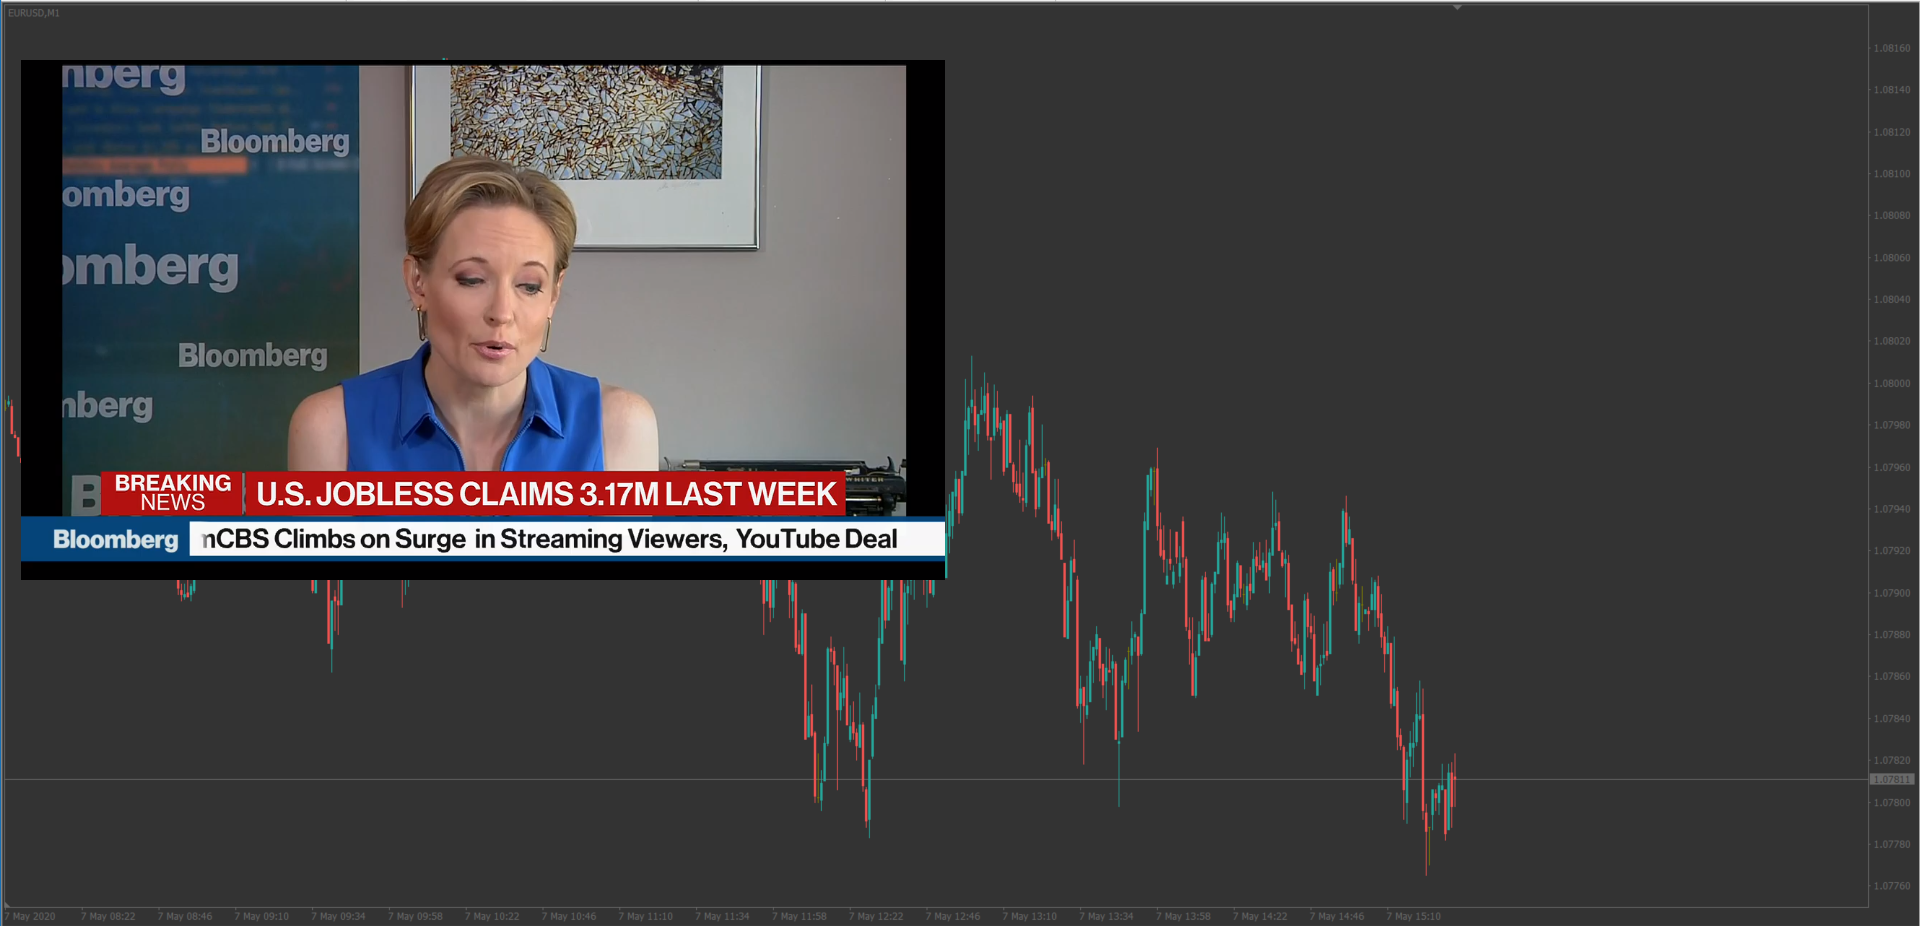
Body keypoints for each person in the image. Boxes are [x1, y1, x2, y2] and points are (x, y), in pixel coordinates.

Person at [288, 156, 658, 471]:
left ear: (553, 295)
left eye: (529, 286)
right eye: (472, 280)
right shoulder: (332, 429)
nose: (502, 313)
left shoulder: (618, 427)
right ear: (417, 282)